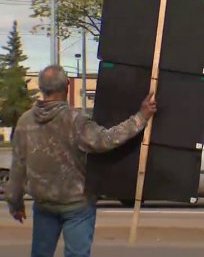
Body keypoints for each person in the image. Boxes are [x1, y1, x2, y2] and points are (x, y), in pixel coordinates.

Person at [5, 65, 157, 257]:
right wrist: (140, 117)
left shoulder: (25, 122)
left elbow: (18, 166)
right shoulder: (75, 120)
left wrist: (15, 202)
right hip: (77, 205)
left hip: (44, 204)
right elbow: (107, 140)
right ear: (67, 87)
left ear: (42, 88)